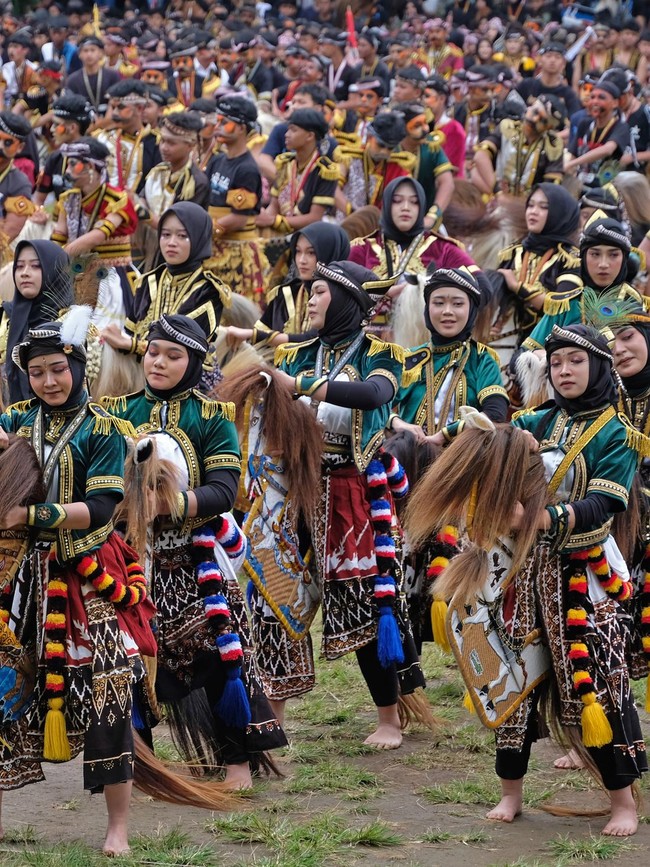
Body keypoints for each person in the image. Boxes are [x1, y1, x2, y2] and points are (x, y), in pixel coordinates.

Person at [413, 322, 647, 836]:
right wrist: (447, 436)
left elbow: (606, 503)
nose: (563, 371)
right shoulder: (537, 420)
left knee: (598, 686)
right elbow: (490, 436)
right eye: (556, 363)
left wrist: (541, 519)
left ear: (600, 367)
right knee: (509, 675)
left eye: (575, 362)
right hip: (521, 569)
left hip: (585, 575)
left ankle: (623, 802)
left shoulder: (619, 434)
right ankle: (511, 794)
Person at [103, 314, 286, 789]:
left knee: (217, 655)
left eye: (173, 355)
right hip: (135, 559)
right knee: (130, 658)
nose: (158, 362)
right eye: (153, 352)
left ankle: (236, 766)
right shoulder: (113, 412)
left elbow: (226, 490)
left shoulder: (212, 416)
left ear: (194, 362)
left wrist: (169, 503)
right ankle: (139, 767)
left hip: (196, 557)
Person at [0, 310, 154, 856]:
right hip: (22, 577)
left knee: (111, 688)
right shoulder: (17, 422)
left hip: (88, 577)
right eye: (36, 372)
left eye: (57, 369)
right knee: (5, 688)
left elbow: (102, 508)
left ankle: (118, 828)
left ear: (78, 366)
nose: (48, 382)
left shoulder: (107, 429)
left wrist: (33, 517)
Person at [274, 260, 428, 749]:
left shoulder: (382, 354)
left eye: (320, 291)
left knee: (363, 603)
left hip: (353, 492)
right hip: (296, 488)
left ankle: (389, 717)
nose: (311, 299)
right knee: (276, 598)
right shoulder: (299, 352)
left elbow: (373, 394)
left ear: (346, 300)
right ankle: (269, 717)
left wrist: (298, 387)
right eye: (310, 292)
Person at [102, 203, 229, 390]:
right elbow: (130, 331)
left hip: (191, 382)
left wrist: (131, 345)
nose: (171, 242)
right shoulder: (147, 281)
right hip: (140, 373)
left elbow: (184, 346)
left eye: (182, 236)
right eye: (166, 234)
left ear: (199, 239)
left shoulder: (209, 290)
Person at [522, 211, 645, 352]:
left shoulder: (635, 303)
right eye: (595, 254)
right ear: (583, 258)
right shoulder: (566, 305)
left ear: (624, 259)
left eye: (613, 254)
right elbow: (525, 354)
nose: (603, 264)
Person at [226, 222, 350, 352]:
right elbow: (258, 344)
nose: (302, 260)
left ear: (329, 253)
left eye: (311, 253)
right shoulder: (286, 293)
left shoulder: (344, 299)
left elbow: (316, 339)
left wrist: (254, 335)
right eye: (298, 251)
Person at [495, 183, 581, 344]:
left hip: (550, 344)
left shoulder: (571, 259)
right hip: (511, 339)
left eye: (543, 207)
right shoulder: (513, 252)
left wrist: (517, 286)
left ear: (559, 214)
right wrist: (497, 321)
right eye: (530, 205)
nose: (533, 211)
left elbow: (559, 308)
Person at [205, 95, 266, 302]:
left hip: (237, 251)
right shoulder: (217, 161)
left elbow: (239, 218)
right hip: (214, 244)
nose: (217, 127)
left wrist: (205, 231)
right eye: (218, 121)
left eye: (225, 123)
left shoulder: (247, 169)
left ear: (241, 128)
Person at [1, 240, 74, 405]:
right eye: (19, 266)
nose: (24, 273)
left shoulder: (73, 323)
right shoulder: (4, 316)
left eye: (35, 266)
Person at [471, 95, 566, 197]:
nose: (534, 119)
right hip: (496, 197)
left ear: (549, 127)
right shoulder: (508, 127)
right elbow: (480, 156)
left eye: (542, 120)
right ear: (529, 107)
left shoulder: (553, 145)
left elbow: (551, 188)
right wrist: (497, 191)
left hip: (528, 205)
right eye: (535, 112)